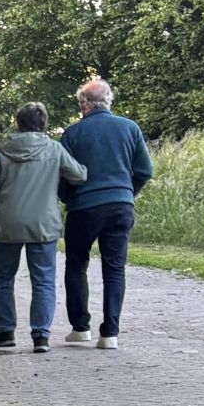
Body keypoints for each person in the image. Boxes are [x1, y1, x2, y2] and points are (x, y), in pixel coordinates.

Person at [0, 103, 86, 353]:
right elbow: (79, 175)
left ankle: (5, 332)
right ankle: (41, 336)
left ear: (19, 123)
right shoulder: (54, 150)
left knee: (3, 278)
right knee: (44, 280)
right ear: (44, 123)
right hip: (43, 225)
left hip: (8, 225)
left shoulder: (1, 153)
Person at [58, 77, 154, 349]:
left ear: (83, 104)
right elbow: (145, 170)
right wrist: (127, 192)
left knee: (76, 264)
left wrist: (68, 198)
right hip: (121, 205)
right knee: (114, 268)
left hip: (83, 208)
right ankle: (110, 333)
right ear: (108, 101)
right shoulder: (130, 128)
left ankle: (80, 328)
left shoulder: (73, 133)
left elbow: (61, 174)